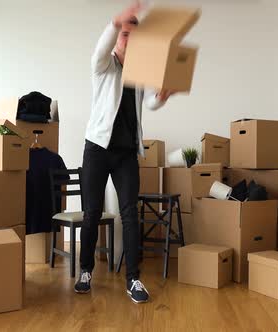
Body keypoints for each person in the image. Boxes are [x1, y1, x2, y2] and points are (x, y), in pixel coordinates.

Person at [75, 1, 173, 304]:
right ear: (118, 37)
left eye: (134, 38)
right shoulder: (104, 66)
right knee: (91, 213)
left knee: (130, 214)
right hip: (97, 149)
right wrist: (116, 23)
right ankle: (86, 271)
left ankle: (133, 279)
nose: (130, 42)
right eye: (126, 36)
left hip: (126, 153)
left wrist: (163, 95)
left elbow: (149, 104)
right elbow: (97, 53)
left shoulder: (138, 72)